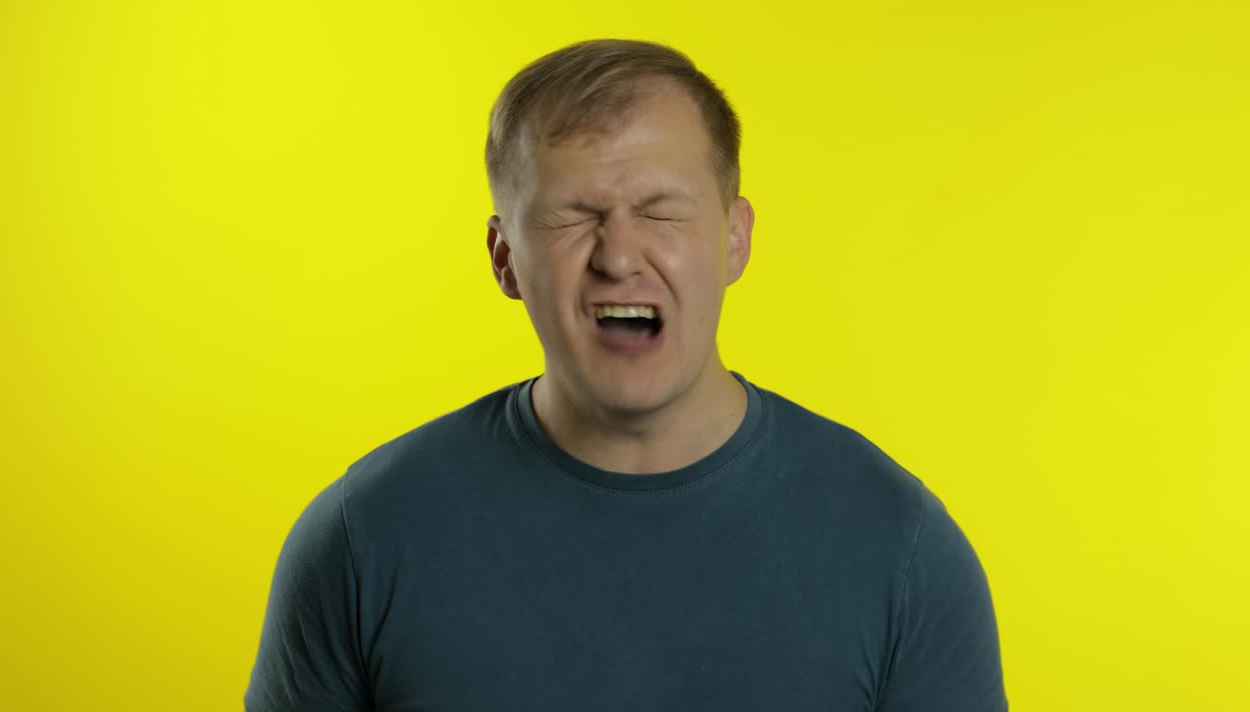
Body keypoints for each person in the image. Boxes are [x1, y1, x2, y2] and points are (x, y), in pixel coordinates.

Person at [245, 39, 1007, 711]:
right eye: (574, 215)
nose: (618, 255)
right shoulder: (361, 541)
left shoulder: (901, 551)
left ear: (734, 239)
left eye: (660, 211)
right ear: (505, 258)